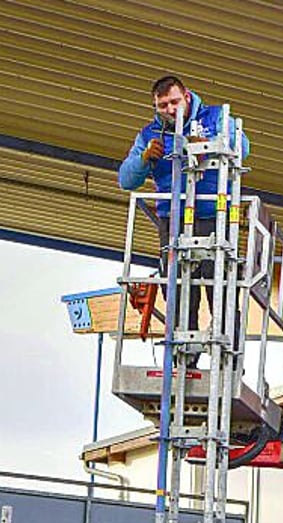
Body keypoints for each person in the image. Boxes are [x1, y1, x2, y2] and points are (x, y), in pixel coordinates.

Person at [119, 75, 249, 365]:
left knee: (221, 289)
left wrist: (210, 144)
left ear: (187, 96)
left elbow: (243, 146)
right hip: (173, 220)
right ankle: (183, 360)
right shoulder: (150, 133)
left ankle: (228, 361)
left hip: (216, 217)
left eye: (174, 102)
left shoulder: (215, 117)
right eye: (162, 105)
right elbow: (126, 179)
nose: (169, 110)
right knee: (178, 290)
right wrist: (143, 160)